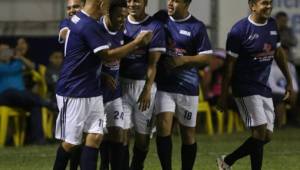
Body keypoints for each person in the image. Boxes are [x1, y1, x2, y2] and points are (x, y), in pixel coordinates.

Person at [52, 0, 152, 169]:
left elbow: (87, 55)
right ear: (101, 3)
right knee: (71, 143)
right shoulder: (87, 25)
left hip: (92, 89)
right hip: (73, 91)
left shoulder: (83, 21)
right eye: (108, 5)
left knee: (96, 137)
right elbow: (106, 55)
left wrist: (103, 74)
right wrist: (137, 43)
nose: (108, 9)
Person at [217, 0, 294, 170]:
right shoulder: (240, 30)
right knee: (259, 130)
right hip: (244, 87)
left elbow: (279, 53)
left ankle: (227, 161)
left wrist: (289, 81)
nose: (268, 6)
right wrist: (223, 95)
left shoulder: (272, 25)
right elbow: (229, 65)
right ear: (252, 6)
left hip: (262, 86)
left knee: (266, 136)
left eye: (270, 3)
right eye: (264, 3)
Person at [153, 0, 212, 169]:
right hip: (164, 85)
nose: (170, 3)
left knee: (188, 134)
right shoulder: (161, 18)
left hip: (188, 87)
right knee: (164, 126)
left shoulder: (197, 26)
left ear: (186, 3)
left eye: (176, 1)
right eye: (169, 0)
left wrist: (183, 60)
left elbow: (207, 57)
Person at [120, 0, 166, 169]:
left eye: (137, 0)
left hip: (144, 87)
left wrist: (147, 89)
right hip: (122, 85)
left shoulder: (155, 27)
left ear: (145, 2)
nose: (132, 4)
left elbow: (153, 64)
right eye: (129, 0)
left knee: (142, 140)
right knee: (120, 134)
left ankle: (136, 166)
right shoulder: (120, 22)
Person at [97, 1, 128, 170]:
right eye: (119, 16)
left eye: (125, 16)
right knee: (98, 136)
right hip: (95, 94)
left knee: (117, 133)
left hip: (114, 93)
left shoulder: (123, 30)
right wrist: (102, 75)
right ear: (108, 14)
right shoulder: (96, 30)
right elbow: (84, 62)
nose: (123, 20)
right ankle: (103, 165)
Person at [0, 47, 53, 145]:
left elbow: (33, 67)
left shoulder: (17, 64)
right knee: (14, 92)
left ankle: (37, 140)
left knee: (35, 106)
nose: (5, 53)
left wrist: (20, 57)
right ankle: (48, 103)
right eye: (2, 52)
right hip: (4, 95)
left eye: (7, 51)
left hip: (22, 96)